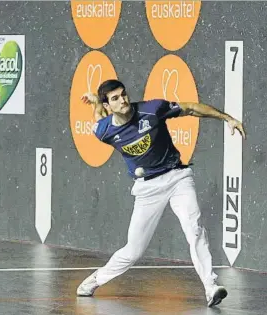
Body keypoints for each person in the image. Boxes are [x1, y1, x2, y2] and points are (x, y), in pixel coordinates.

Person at [76, 79, 246, 307]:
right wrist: (96, 103)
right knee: (133, 251)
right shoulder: (105, 130)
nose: (123, 100)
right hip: (147, 189)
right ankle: (96, 280)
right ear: (108, 105)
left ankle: (210, 286)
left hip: (177, 178)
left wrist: (227, 118)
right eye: (115, 98)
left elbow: (191, 108)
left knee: (194, 228)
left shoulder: (152, 110)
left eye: (123, 94)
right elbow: (98, 118)